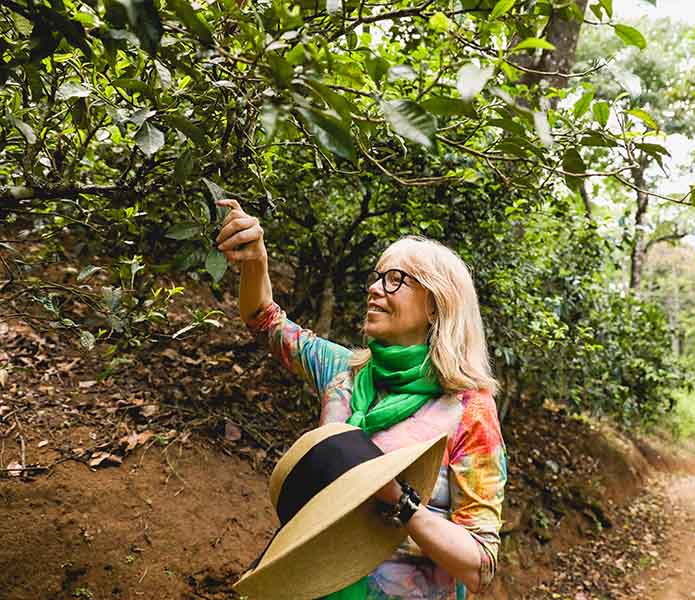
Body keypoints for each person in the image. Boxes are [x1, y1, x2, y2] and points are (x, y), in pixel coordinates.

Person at [215, 199, 506, 599]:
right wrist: (256, 261)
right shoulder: (344, 372)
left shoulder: (469, 408)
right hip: (315, 587)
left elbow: (480, 565)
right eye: (376, 276)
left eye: (395, 279)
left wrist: (398, 500)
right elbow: (265, 319)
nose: (373, 288)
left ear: (437, 304)